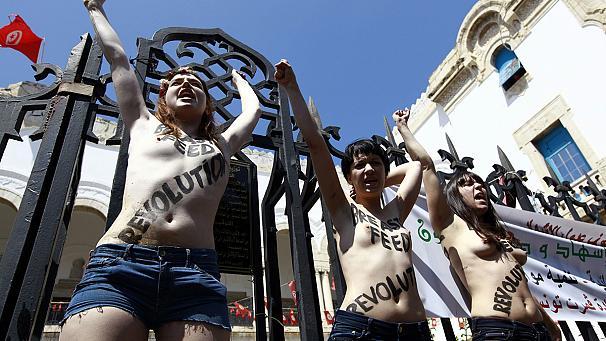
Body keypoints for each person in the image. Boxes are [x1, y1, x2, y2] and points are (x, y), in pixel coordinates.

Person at [60, 1, 263, 340]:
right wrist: (94, 8)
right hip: (120, 262)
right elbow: (119, 60)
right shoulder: (143, 125)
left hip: (194, 273)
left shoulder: (223, 146)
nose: (186, 83)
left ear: (207, 104)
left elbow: (252, 112)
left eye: (195, 83)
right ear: (163, 97)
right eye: (177, 81)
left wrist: (238, 78)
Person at [274, 60, 431, 340]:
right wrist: (292, 89)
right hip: (362, 329)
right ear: (348, 177)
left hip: (414, 332)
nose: (368, 169)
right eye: (359, 166)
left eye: (375, 164)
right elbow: (315, 145)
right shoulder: (343, 212)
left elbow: (417, 167)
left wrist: (384, 168)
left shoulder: (396, 211)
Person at [393, 108, 562, 341]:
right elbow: (426, 166)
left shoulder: (496, 232)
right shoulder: (450, 226)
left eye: (480, 184)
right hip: (499, 331)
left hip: (538, 330)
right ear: (454, 195)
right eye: (467, 184)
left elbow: (513, 280)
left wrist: (548, 321)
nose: (478, 187)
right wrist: (403, 128)